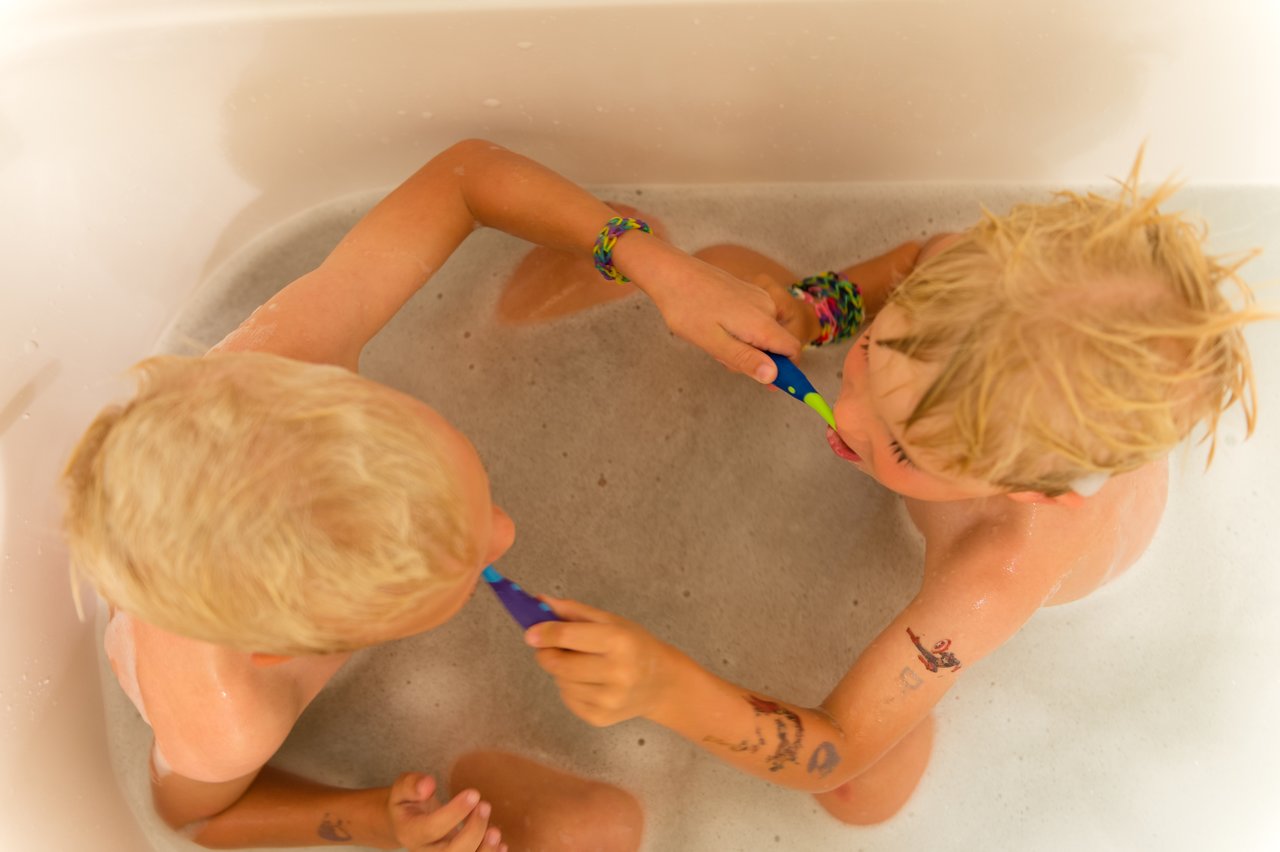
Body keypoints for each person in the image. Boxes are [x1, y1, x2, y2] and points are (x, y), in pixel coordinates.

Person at [60, 138, 800, 850]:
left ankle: (506, 332)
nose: (505, 532)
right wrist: (371, 821)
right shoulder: (223, 720)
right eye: (457, 567)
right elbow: (191, 819)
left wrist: (656, 264)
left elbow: (466, 176)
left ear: (336, 388)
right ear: (293, 650)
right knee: (590, 831)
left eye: (467, 475)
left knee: (629, 230)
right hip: (358, 718)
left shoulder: (282, 363)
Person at [525, 159, 1268, 824]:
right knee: (725, 266)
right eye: (870, 360)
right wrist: (818, 311)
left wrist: (666, 687)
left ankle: (925, 715)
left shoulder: (994, 572)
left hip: (975, 589)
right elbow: (915, 258)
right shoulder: (960, 274)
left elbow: (840, 748)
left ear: (1029, 492)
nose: (846, 417)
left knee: (861, 796)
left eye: (904, 447)